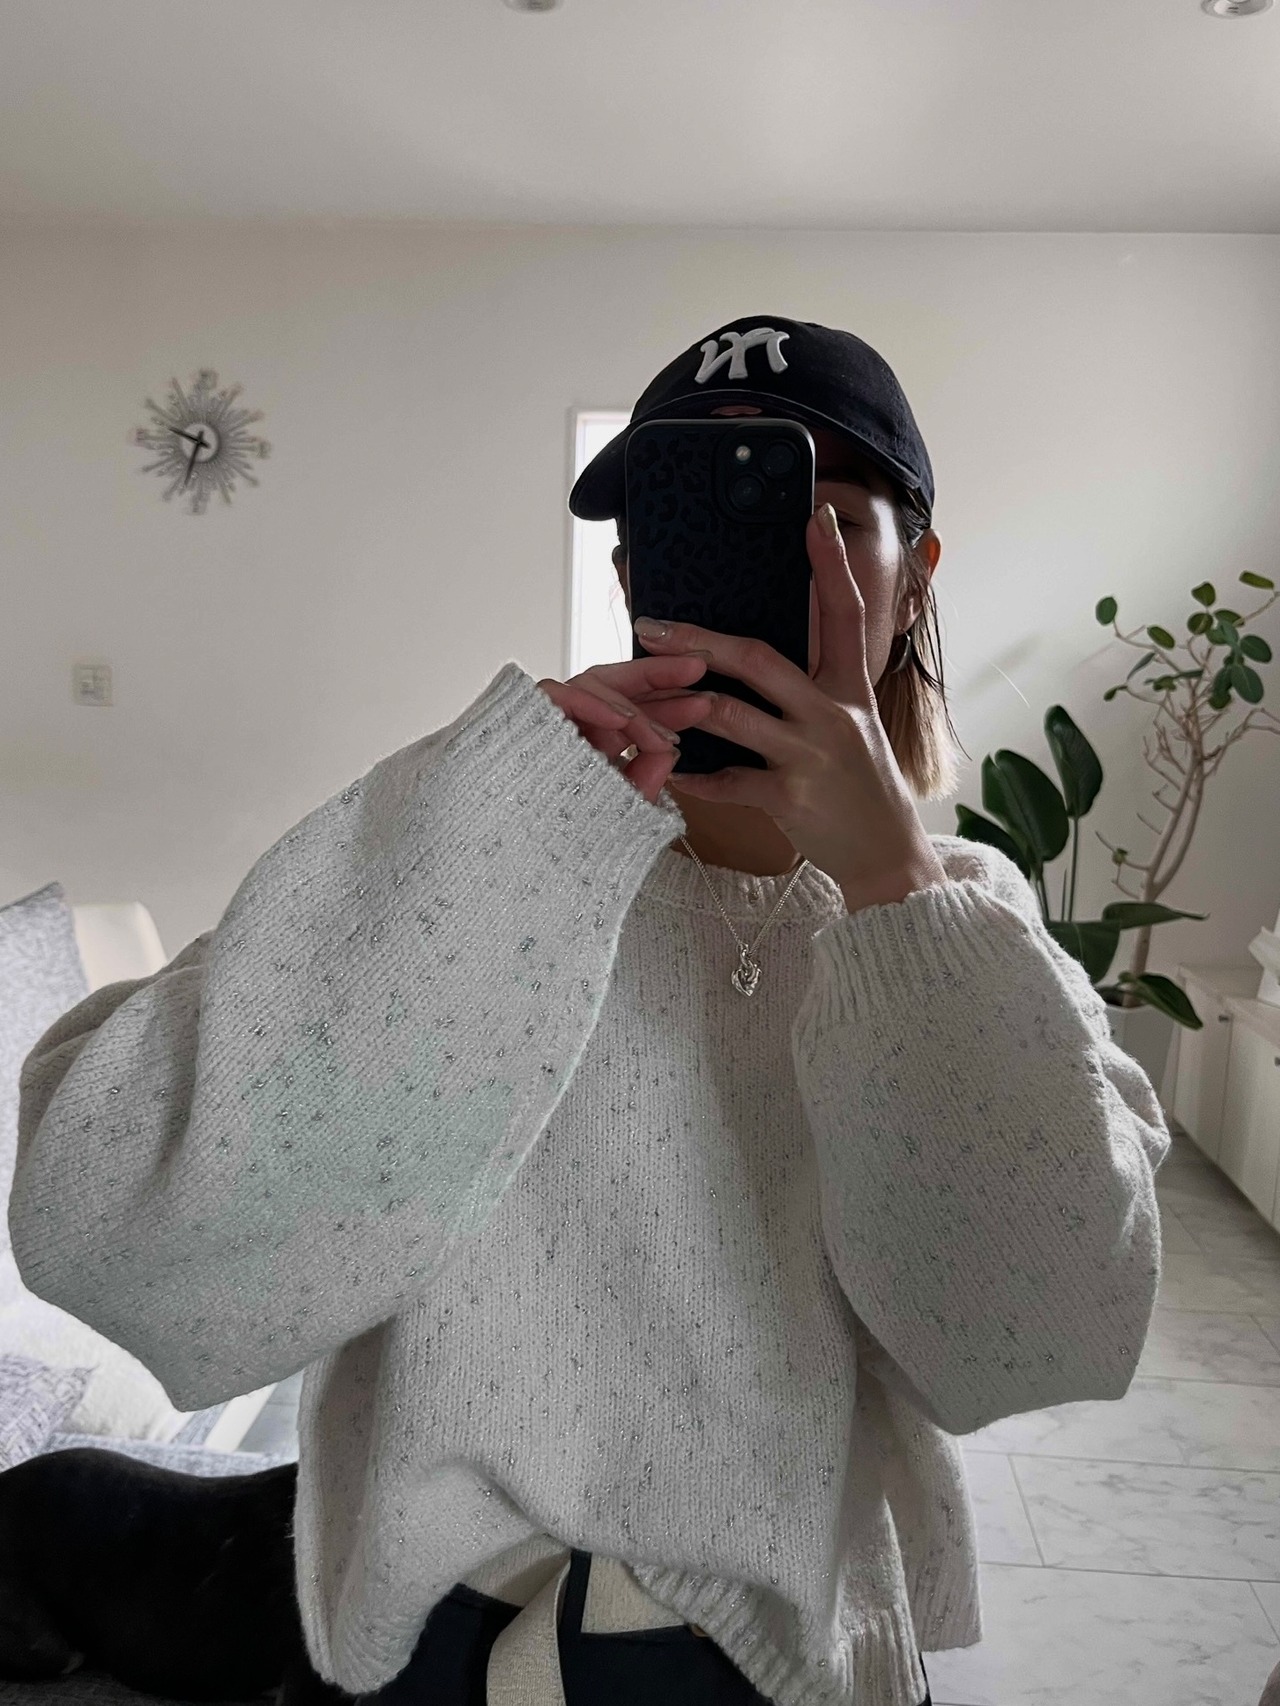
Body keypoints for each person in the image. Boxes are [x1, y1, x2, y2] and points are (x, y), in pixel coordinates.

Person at [11, 315, 1171, 1706]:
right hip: (424, 1652)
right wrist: (489, 833)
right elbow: (102, 1223)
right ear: (633, 571)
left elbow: (1032, 1343)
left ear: (916, 573)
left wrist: (893, 893)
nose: (774, 556)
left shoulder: (969, 931)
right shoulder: (476, 853)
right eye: (702, 509)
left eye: (830, 513)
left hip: (790, 1667)